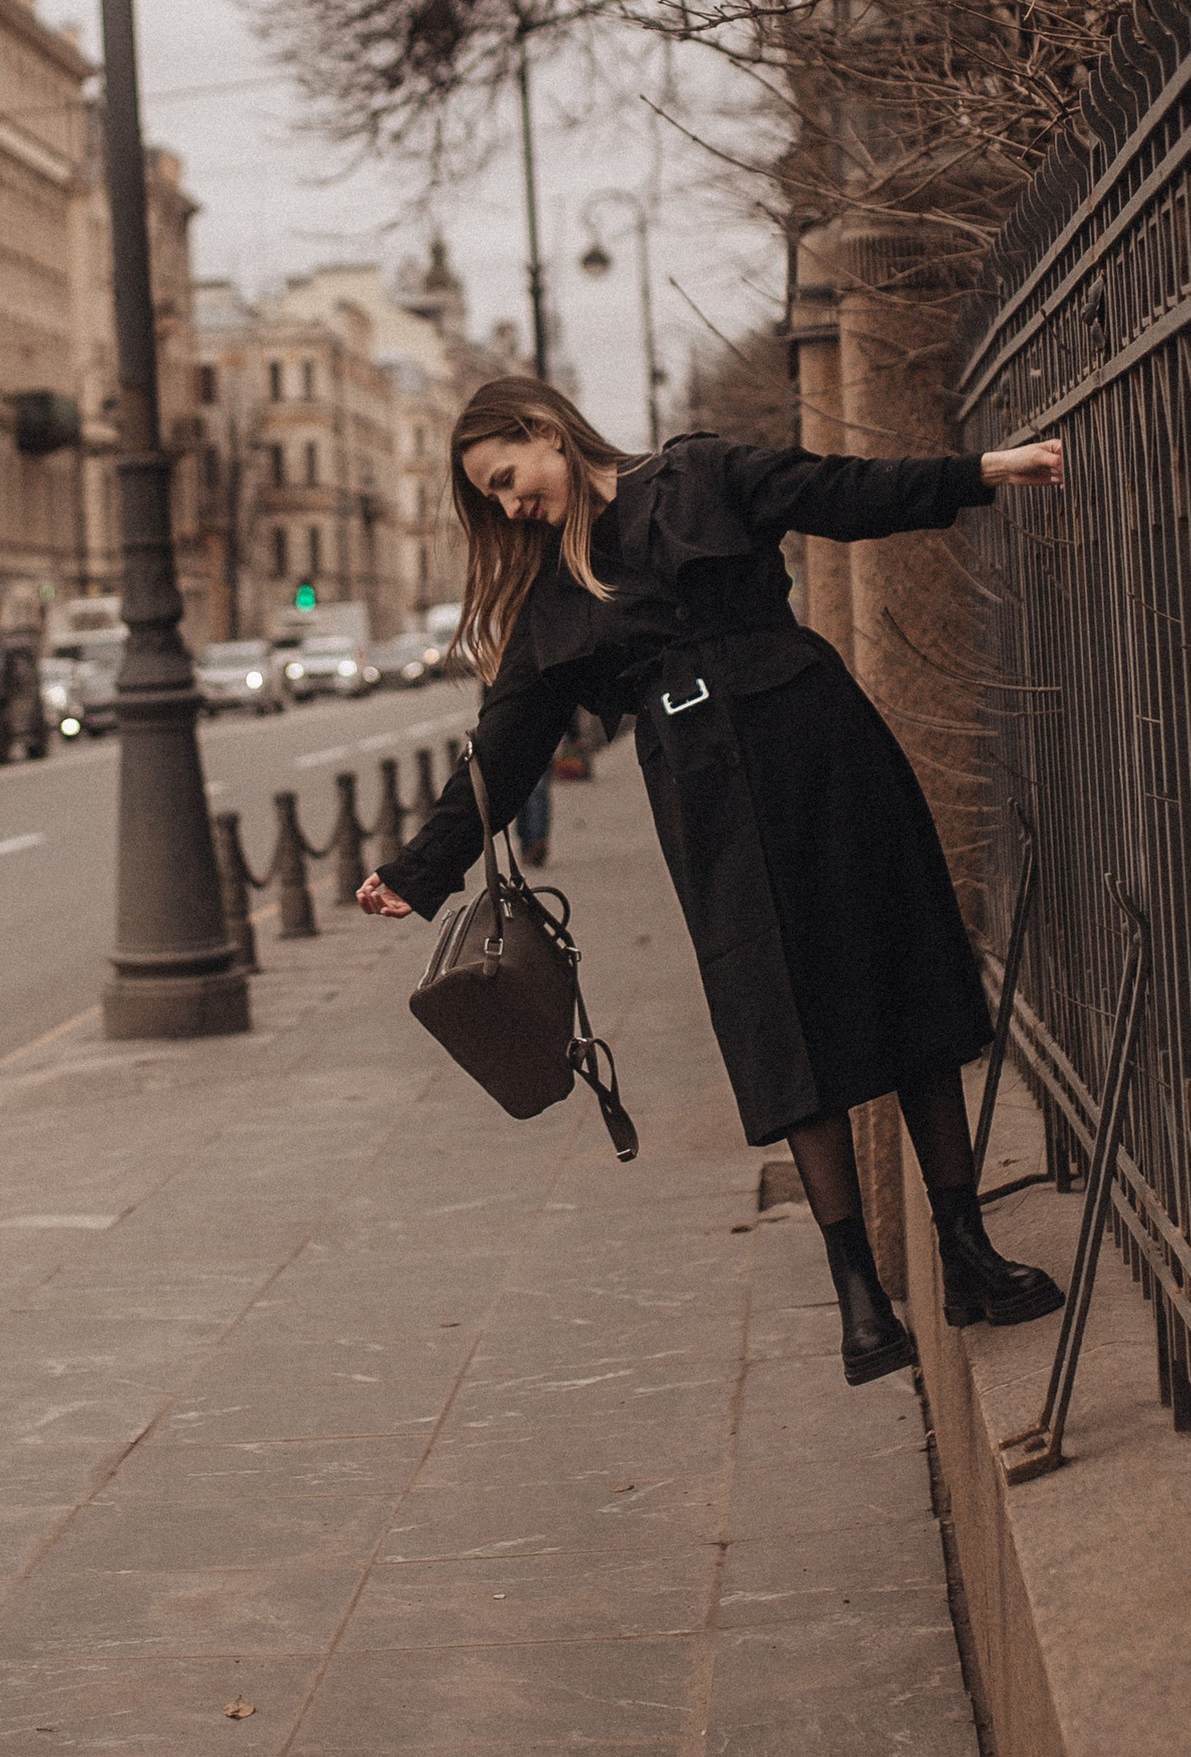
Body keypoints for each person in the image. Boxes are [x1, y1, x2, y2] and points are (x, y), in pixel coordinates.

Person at [359, 377, 1066, 1383]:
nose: (510, 508)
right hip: (709, 802)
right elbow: (503, 748)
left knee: (905, 975)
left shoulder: (696, 475)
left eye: (508, 480)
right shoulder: (552, 603)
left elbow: (838, 493)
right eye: (492, 501)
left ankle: (966, 1253)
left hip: (822, 745)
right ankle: (858, 1297)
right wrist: (417, 870)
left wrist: (984, 470)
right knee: (776, 1017)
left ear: (544, 430)